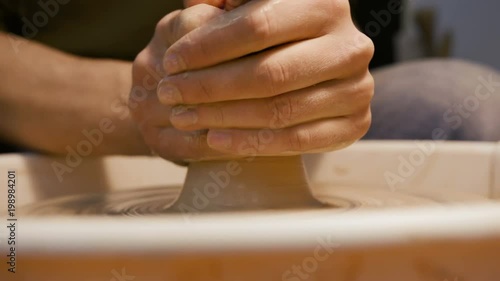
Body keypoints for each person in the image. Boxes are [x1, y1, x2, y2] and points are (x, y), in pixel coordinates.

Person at [0, 0, 498, 162]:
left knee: (463, 104)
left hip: (317, 134)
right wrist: (158, 101)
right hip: (57, 133)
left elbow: (360, 43)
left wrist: (320, 62)